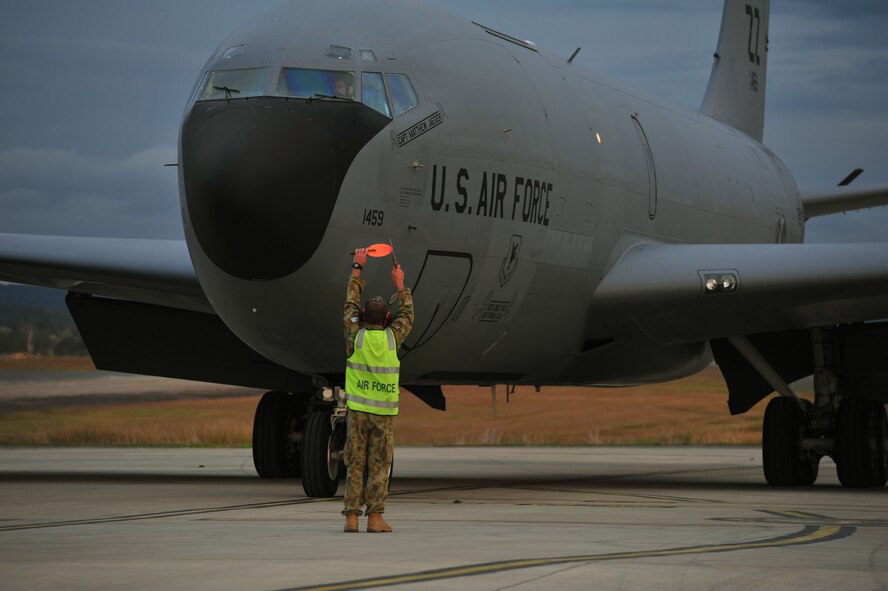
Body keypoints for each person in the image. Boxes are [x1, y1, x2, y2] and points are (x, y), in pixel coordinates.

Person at [341, 247, 413, 533]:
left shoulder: (354, 337)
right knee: (379, 465)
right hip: (381, 414)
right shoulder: (392, 339)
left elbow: (349, 303)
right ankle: (375, 518)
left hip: (357, 413)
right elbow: (407, 312)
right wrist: (399, 283)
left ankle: (351, 517)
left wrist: (358, 267)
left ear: (361, 317)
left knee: (355, 464)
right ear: (386, 320)